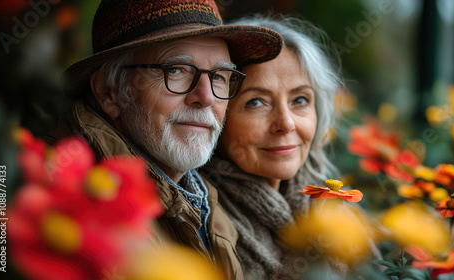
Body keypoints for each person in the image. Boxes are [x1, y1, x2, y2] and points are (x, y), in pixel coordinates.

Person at [42, 1, 283, 279]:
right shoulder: (68, 200)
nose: (206, 98)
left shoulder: (206, 200)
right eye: (177, 70)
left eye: (218, 76)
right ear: (109, 92)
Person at [199, 15, 345, 279]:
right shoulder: (195, 227)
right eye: (256, 102)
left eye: (300, 99)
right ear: (218, 115)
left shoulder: (338, 214)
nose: (286, 124)